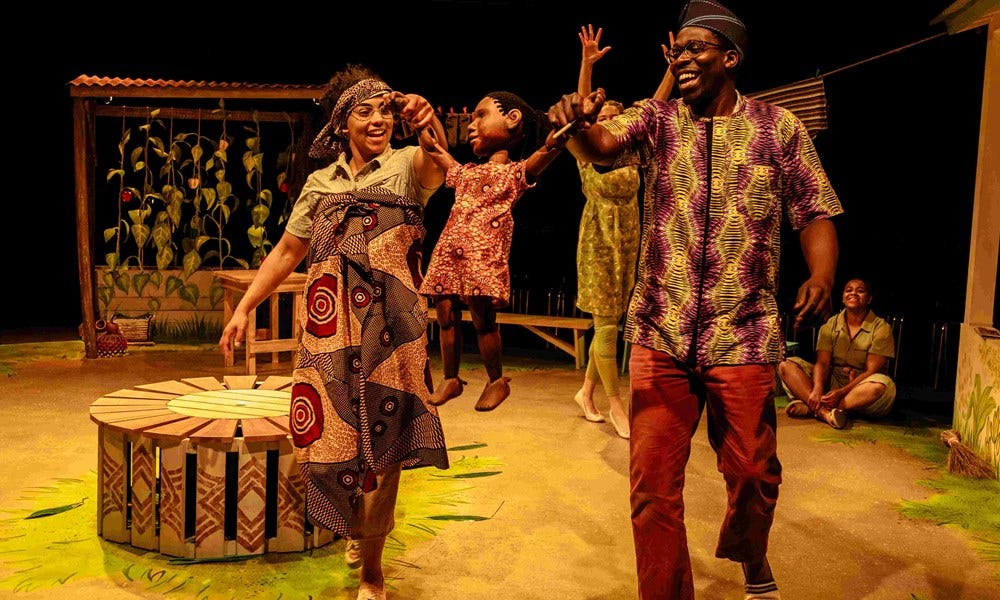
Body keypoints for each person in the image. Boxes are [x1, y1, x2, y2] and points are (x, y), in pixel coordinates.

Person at [547, 2, 844, 598]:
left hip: (745, 330)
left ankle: (750, 552)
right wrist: (577, 123)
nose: (680, 58)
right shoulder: (657, 120)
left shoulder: (778, 128)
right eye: (676, 49)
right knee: (652, 486)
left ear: (729, 58)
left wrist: (822, 273)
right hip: (661, 327)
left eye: (694, 48)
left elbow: (813, 208)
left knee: (754, 474)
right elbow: (603, 145)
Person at [218, 64, 450, 600]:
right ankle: (356, 527)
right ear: (343, 124)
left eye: (385, 110)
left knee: (386, 448)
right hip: (330, 329)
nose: (378, 120)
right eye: (363, 111)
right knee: (332, 437)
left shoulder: (407, 167)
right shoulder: (321, 184)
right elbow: (287, 251)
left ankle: (372, 568)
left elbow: (439, 162)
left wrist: (427, 117)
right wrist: (245, 308)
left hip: (394, 330)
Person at [419, 91, 570, 412]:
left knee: (482, 317)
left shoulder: (513, 174)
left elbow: (549, 149)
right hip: (450, 252)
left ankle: (496, 380)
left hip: (481, 256)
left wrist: (566, 131)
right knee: (444, 311)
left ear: (513, 119)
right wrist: (419, 122)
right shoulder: (466, 172)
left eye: (480, 115)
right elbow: (433, 150)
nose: (472, 124)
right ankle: (451, 377)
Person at [571, 24, 675, 439]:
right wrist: (586, 65)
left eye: (619, 118)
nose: (614, 124)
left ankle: (586, 392)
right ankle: (617, 403)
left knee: (609, 323)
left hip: (630, 239)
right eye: (606, 119)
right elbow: (580, 108)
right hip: (598, 239)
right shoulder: (588, 151)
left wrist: (669, 71)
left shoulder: (634, 147)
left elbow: (655, 105)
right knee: (608, 325)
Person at [777, 278, 897, 429]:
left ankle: (817, 407)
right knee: (785, 365)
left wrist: (841, 392)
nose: (853, 293)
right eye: (849, 290)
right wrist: (818, 388)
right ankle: (825, 411)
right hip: (833, 381)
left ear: (869, 299)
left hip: (861, 385)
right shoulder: (831, 324)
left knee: (879, 386)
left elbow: (871, 370)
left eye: (860, 291)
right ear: (842, 297)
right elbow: (823, 363)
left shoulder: (881, 328)